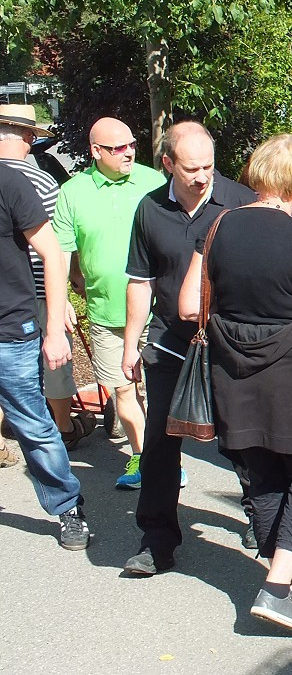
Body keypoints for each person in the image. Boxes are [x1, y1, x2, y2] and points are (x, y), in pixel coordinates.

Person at [178, 133, 292, 634]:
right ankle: (278, 587)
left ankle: (277, 574)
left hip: (232, 371)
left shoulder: (217, 226)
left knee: (261, 474)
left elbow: (189, 306)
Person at [122, 121, 257, 576]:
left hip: (229, 341)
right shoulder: (150, 209)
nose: (202, 177)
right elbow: (139, 281)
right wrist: (130, 345)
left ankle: (261, 513)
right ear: (167, 164)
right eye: (191, 168)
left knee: (241, 436)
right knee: (160, 441)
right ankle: (156, 542)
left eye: (209, 167)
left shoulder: (240, 202)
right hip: (170, 345)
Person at [53, 117, 165, 489]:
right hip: (106, 312)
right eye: (117, 147)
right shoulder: (73, 192)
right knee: (123, 389)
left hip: (159, 310)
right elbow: (60, 254)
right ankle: (143, 457)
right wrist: (64, 299)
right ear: (95, 152)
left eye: (132, 144)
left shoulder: (154, 181)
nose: (129, 152)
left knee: (161, 388)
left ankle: (164, 459)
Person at [0, 160, 88, 550]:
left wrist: (54, 329)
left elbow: (52, 253)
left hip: (10, 330)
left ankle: (68, 506)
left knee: (33, 425)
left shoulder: (8, 182)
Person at [0, 105, 91, 449]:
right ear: (27, 139)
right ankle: (64, 427)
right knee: (55, 361)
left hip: (5, 293)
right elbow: (58, 244)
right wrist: (68, 291)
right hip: (39, 289)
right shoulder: (40, 181)